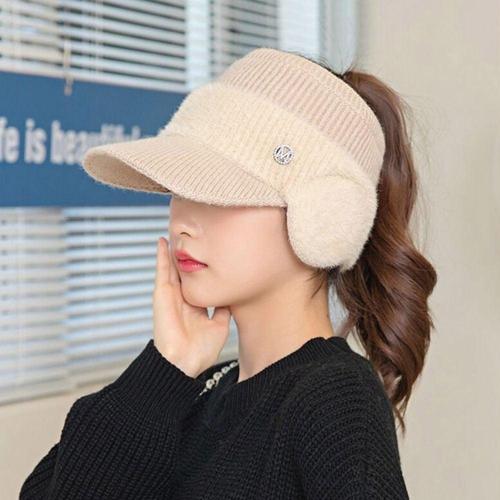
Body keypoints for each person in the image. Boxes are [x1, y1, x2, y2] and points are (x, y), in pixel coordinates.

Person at [20, 47, 436, 499]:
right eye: (180, 189)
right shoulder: (198, 388)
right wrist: (165, 367)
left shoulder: (334, 400)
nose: (182, 222)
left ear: (325, 217)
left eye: (221, 193)